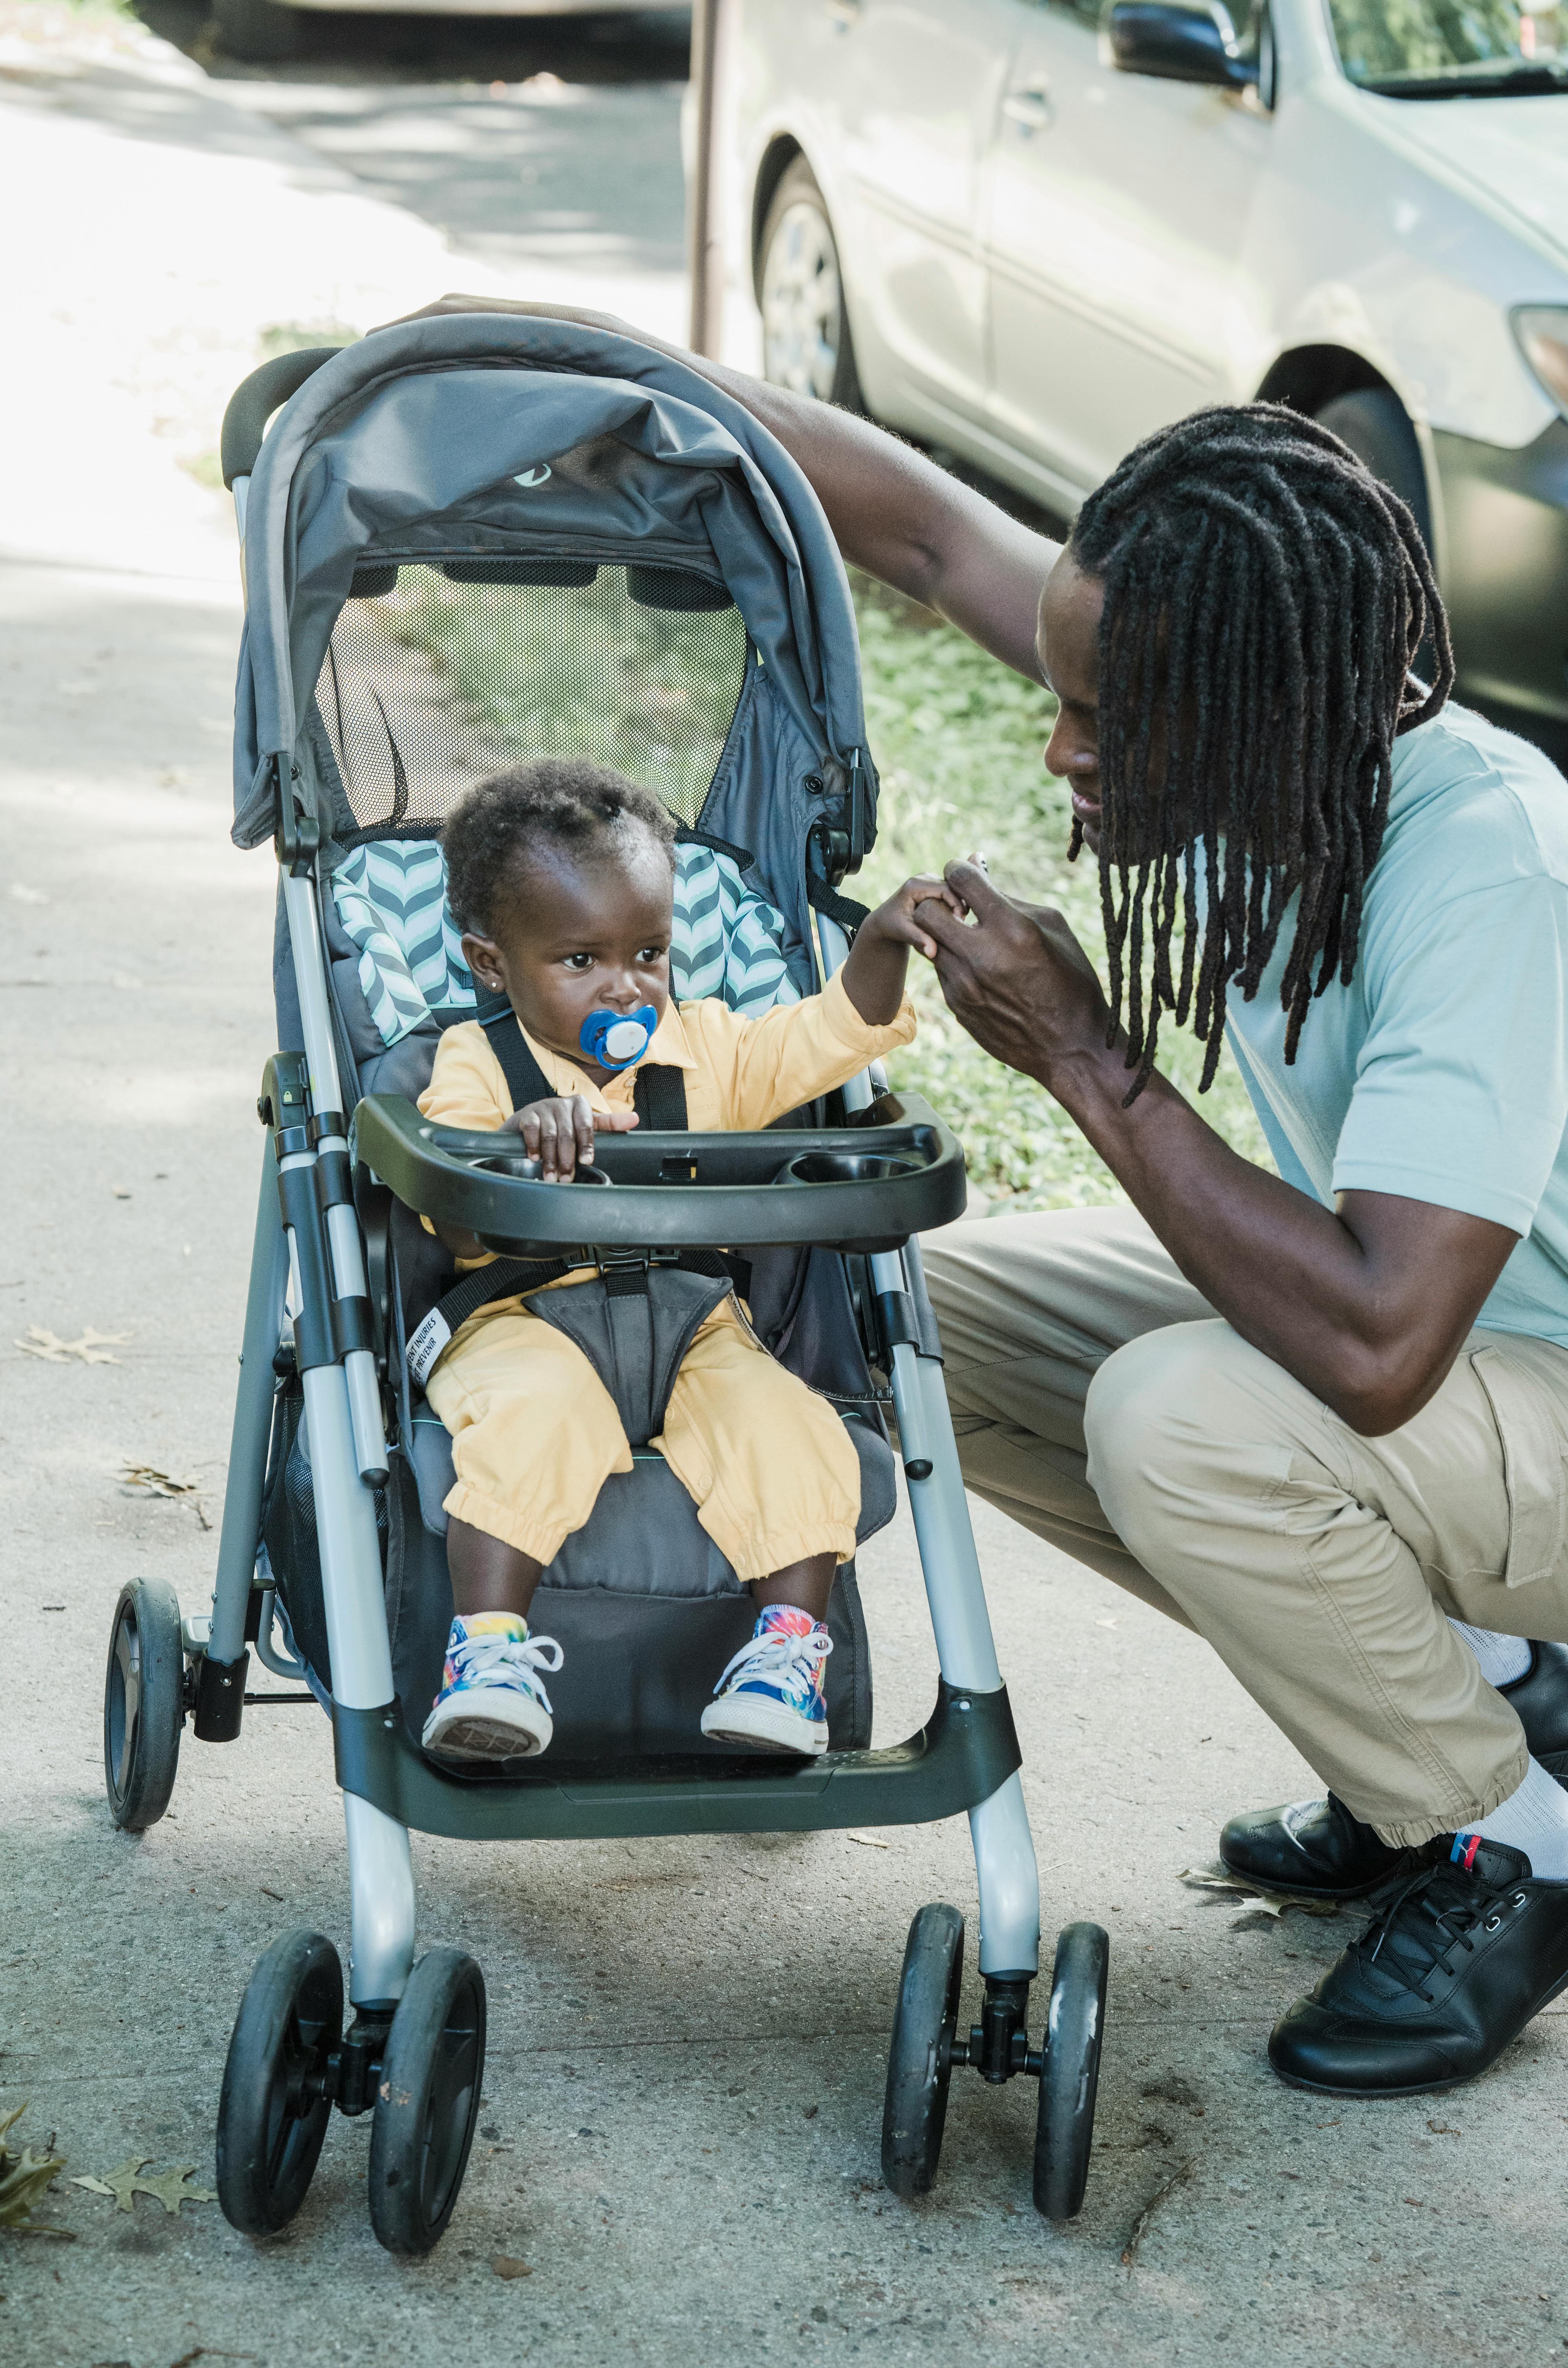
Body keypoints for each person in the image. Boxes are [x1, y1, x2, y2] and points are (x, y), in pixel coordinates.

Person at [401, 298, 1568, 2102]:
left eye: (1105, 722)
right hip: (1467, 1372)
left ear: (1257, 706)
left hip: (1497, 1371)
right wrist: (593, 369)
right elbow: (921, 529)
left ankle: (1508, 1841)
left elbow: (1375, 1336)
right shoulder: (1245, 688)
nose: (1056, 751)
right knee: (912, 1321)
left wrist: (1089, 1061)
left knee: (1180, 1422)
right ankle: (1475, 1689)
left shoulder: (1481, 861)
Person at [415, 755, 951, 1766]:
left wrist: (879, 940)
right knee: (534, 1418)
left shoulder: (708, 1048)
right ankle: (485, 1657)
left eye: (649, 953)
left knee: (787, 1426)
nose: (627, 986)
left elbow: (833, 1035)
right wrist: (528, 1136)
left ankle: (786, 1661)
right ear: (494, 966)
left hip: (690, 1317)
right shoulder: (476, 1063)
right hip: (523, 1320)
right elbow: (457, 1221)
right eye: (581, 962)